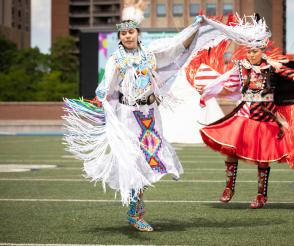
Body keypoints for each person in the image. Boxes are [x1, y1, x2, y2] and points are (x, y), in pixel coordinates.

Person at [185, 14, 294, 209]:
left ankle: (261, 195)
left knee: (263, 158)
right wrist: (207, 90)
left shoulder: (273, 68)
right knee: (230, 150)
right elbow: (224, 82)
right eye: (248, 51)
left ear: (262, 50)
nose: (250, 55)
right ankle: (229, 187)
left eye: (254, 51)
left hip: (266, 118)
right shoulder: (241, 67)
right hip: (243, 115)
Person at [63, 1, 204, 232]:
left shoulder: (150, 55)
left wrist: (195, 29)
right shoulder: (115, 60)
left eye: (131, 32)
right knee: (133, 162)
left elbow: (177, 49)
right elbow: (106, 86)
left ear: (138, 34)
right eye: (124, 33)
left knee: (148, 161)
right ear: (120, 37)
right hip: (128, 115)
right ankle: (135, 212)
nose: (128, 36)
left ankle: (136, 209)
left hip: (150, 115)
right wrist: (99, 101)